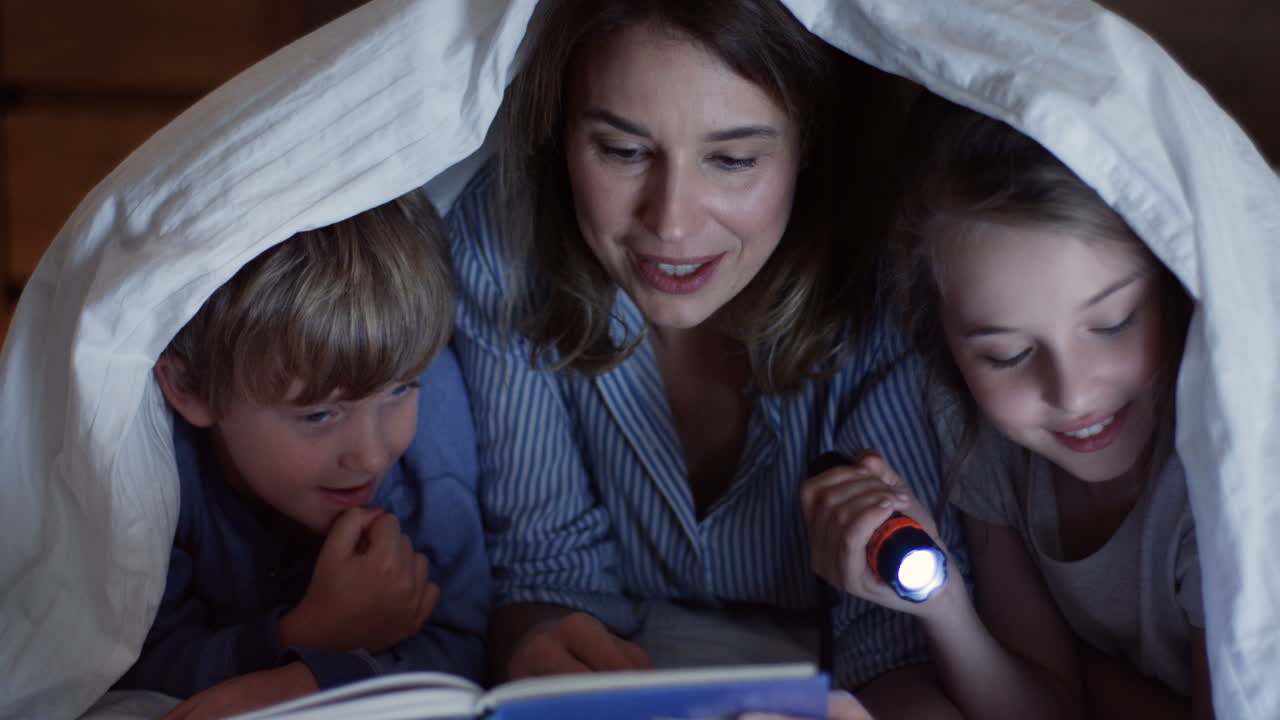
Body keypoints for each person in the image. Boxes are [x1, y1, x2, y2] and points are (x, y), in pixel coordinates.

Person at [446, 1, 965, 717]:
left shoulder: (884, 284)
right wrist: (535, 643)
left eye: (733, 160)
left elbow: (897, 644)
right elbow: (542, 572)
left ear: (808, 144)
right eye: (623, 152)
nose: (673, 223)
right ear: (560, 131)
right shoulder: (502, 250)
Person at [801, 93, 1210, 719]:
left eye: (1114, 323)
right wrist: (944, 606)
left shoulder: (1211, 487)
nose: (1072, 395)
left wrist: (1100, 685)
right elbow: (1040, 709)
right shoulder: (982, 436)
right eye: (1008, 355)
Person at [114, 193, 491, 719]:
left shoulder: (433, 441)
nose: (372, 455)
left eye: (401, 390)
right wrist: (305, 635)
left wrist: (310, 680)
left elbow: (463, 647)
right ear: (189, 386)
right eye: (319, 415)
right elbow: (124, 659)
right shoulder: (156, 472)